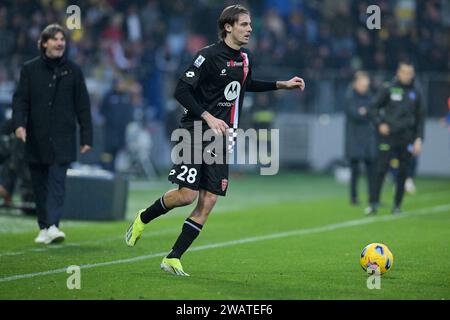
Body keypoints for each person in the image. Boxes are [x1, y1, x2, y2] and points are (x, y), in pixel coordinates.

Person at [125, 5, 305, 276]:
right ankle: (142, 218)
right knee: (187, 196)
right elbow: (181, 90)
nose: (250, 29)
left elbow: (247, 83)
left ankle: (173, 257)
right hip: (195, 130)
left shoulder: (245, 58)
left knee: (209, 200)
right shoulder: (206, 56)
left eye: (250, 24)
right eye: (244, 24)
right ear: (228, 27)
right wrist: (208, 116)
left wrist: (281, 84)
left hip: (223, 136)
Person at [12, 24, 93, 244]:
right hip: (36, 138)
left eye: (62, 40)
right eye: (55, 39)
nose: (60, 43)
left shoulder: (74, 70)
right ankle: (44, 227)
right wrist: (19, 124)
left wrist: (87, 137)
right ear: (44, 43)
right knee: (38, 185)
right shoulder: (29, 69)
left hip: (63, 138)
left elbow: (83, 105)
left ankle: (53, 225)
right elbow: (20, 101)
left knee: (57, 183)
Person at [366, 61, 425, 215]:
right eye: (405, 72)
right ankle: (373, 203)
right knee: (380, 169)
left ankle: (397, 205)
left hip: (407, 137)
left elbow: (420, 118)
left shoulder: (416, 92)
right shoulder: (388, 88)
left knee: (403, 172)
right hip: (388, 136)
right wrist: (379, 124)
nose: (408, 75)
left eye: (410, 72)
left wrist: (419, 139)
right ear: (398, 72)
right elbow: (372, 107)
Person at [344, 71, 376, 206]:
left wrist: (365, 111)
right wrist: (367, 112)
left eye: (366, 83)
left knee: (371, 170)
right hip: (354, 138)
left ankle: (372, 198)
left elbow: (374, 111)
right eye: (363, 83)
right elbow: (355, 114)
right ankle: (354, 197)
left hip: (368, 138)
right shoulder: (350, 96)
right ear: (356, 83)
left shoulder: (370, 95)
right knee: (355, 171)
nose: (365, 86)